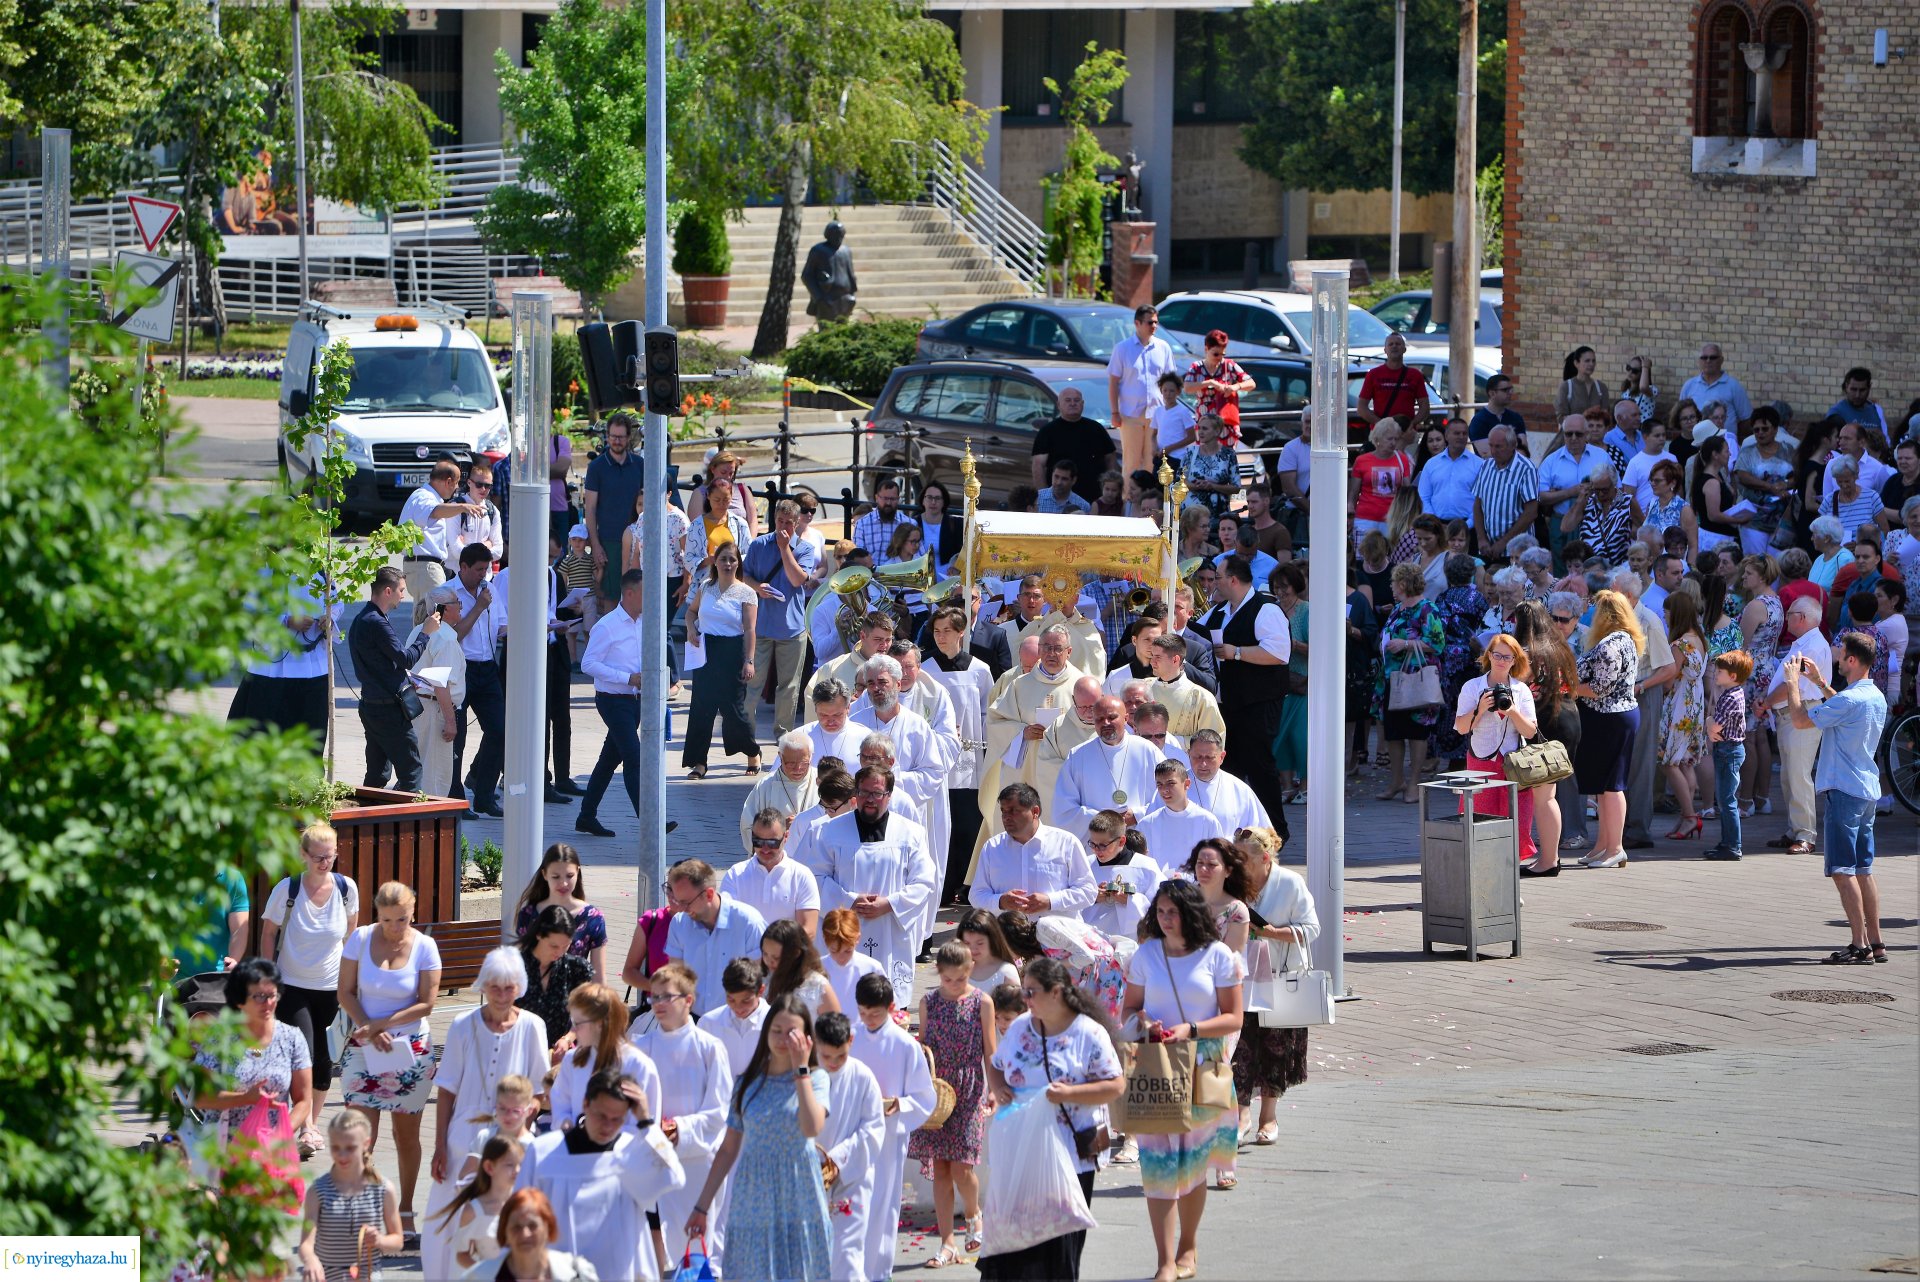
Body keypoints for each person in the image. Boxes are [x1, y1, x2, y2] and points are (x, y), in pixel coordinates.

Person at [1121, 880, 1244, 1282]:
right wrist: (1143, 1022)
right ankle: (1164, 1261)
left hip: (1204, 1065)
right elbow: (1130, 1010)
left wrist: (1191, 1029)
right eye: (1160, 912)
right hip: (1157, 1063)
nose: (1165, 919)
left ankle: (1187, 1247)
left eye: (1172, 912)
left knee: (1193, 1165)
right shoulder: (1146, 955)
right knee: (1158, 1166)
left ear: (1190, 913)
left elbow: (1234, 1018)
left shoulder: (1218, 956)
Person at [977, 956, 1125, 1282]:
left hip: (1072, 1154)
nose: (1024, 999)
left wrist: (1070, 1095)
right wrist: (999, 1087)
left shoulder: (1089, 1033)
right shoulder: (1019, 1027)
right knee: (1017, 1243)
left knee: (1059, 1246)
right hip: (1023, 1149)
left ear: (1056, 992)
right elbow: (997, 1063)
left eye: (1031, 992)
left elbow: (1115, 1084)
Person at [422, 948, 550, 1282]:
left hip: (512, 1139)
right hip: (463, 1134)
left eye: (509, 987)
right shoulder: (462, 1025)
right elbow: (447, 1087)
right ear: (483, 985)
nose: (501, 994)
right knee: (447, 1220)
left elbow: (539, 1091)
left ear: (519, 987)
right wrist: (439, 1145)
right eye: (495, 986)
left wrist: (519, 1121)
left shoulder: (533, 1026)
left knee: (505, 1218)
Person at [684, 994, 833, 1280]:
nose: (782, 1040)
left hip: (798, 1193)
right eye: (776, 1031)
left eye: (791, 1033)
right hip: (752, 1195)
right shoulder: (746, 1083)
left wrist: (801, 1070)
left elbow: (811, 1127)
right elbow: (728, 1149)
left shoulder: (815, 1078)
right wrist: (701, 1207)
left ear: (805, 1037)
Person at [518, 1069, 686, 1282]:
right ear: (586, 1104)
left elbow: (674, 1177)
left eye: (617, 1119)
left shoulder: (631, 1152)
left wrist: (645, 1121)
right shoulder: (544, 1151)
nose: (608, 1126)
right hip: (555, 1273)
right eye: (601, 1115)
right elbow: (521, 1213)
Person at [1783, 634, 1890, 963]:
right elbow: (1840, 708)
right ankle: (1877, 942)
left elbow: (1801, 720)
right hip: (1865, 790)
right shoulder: (1872, 696)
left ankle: (1860, 945)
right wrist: (1817, 681)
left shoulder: (1851, 700)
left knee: (1843, 871)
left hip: (1844, 790)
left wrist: (1793, 683)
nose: (1839, 660)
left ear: (1853, 661)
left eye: (1842, 656)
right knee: (1863, 869)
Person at [258, 822, 359, 1150]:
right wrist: (268, 976)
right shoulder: (287, 890)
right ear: (303, 855)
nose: (324, 863)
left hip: (331, 986)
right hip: (292, 985)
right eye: (317, 857)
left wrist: (353, 982)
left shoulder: (346, 889)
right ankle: (305, 1125)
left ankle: (309, 1126)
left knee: (324, 1056)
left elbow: (351, 938)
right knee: (301, 1054)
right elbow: (269, 933)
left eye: (329, 857)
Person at [629, 961, 735, 1266]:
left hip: (696, 1162)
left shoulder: (710, 1048)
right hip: (651, 1157)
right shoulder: (642, 1045)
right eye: (654, 997)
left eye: (667, 997)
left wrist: (679, 1128)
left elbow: (719, 1110)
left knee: (695, 1251)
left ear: (689, 1000)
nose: (659, 1004)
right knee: (650, 1252)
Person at [192, 956, 314, 1200]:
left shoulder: (292, 1038)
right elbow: (201, 1097)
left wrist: (281, 1137)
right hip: (224, 1149)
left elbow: (303, 1101)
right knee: (223, 1230)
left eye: (272, 995)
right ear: (239, 1000)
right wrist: (245, 1097)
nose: (267, 1003)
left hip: (270, 1152)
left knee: (260, 1229)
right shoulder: (219, 1038)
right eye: (258, 996)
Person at [1223, 833, 1315, 1147]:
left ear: (1265, 858)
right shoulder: (1231, 884)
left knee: (1276, 1047)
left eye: (1244, 859)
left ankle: (1269, 1116)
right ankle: (1242, 1115)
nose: (1236, 865)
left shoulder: (1289, 883)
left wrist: (1273, 932)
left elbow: (1311, 928)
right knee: (1241, 1047)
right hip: (1242, 978)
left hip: (1280, 976)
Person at [910, 941, 996, 1267]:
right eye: (948, 979)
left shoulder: (981, 1002)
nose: (954, 985)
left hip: (970, 1088)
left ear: (970, 970)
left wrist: (992, 1087)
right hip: (938, 1092)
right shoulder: (928, 1002)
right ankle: (947, 1242)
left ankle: (974, 1215)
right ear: (939, 973)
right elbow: (925, 1046)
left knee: (962, 1166)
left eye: (960, 978)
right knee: (942, 1169)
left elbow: (990, 1049)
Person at [850, 973, 938, 1278]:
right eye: (862, 1013)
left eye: (875, 1014)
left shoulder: (904, 1045)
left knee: (883, 1202)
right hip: (853, 1132)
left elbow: (924, 1096)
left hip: (888, 1134)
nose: (868, 1020)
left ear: (890, 1008)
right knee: (851, 1202)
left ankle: (877, 1270)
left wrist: (901, 1104)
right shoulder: (852, 1036)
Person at [1572, 591, 1646, 869]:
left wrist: (1567, 689)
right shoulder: (1625, 640)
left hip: (1610, 718)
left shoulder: (1609, 645)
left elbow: (1599, 689)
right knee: (1604, 786)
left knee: (1612, 786)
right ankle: (1603, 845)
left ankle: (1615, 847)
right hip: (1614, 717)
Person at [810, 1011, 886, 1282]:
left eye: (840, 1056)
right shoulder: (804, 1076)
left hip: (852, 1177)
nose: (832, 1063)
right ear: (814, 1043)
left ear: (850, 1041)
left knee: (847, 1254)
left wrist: (836, 1161)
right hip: (809, 1177)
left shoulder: (863, 1077)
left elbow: (873, 1129)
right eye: (826, 1056)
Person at [1453, 632, 1539, 861]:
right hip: (1481, 764)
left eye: (1508, 657)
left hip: (1513, 767)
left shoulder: (1521, 690)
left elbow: (1530, 732)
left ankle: (1509, 885)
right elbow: (1461, 728)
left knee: (1516, 826)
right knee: (1480, 823)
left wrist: (1512, 711)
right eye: (1497, 655)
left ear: (1515, 661)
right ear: (1488, 656)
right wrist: (1480, 709)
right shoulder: (1473, 687)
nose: (1502, 661)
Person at [349, 567, 436, 792]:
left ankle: (368, 821)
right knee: (412, 772)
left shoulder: (362, 618)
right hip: (387, 709)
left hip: (371, 705)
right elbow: (406, 658)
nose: (404, 596)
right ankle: (408, 825)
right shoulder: (376, 623)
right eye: (401, 590)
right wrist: (425, 633)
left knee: (378, 774)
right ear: (388, 591)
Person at [741, 499, 820, 742]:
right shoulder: (758, 545)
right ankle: (746, 736)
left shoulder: (805, 549)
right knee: (753, 685)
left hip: (792, 629)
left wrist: (785, 548)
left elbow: (798, 580)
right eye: (779, 521)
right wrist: (757, 586)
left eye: (788, 522)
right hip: (761, 627)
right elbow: (743, 575)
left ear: (797, 523)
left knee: (789, 687)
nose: (783, 526)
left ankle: (783, 736)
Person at [1613, 571, 1679, 850]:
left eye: (1614, 592)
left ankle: (1638, 829)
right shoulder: (1620, 618)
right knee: (1623, 762)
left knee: (1640, 763)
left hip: (1642, 693)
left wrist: (1641, 687)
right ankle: (1622, 825)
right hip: (1623, 693)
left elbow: (1669, 668)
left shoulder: (1649, 621)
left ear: (1629, 596)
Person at [683, 541, 760, 779]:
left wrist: (749, 660)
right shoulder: (706, 586)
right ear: (715, 561)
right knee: (701, 708)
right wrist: (690, 629)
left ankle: (752, 752)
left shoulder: (746, 592)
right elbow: (691, 612)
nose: (728, 563)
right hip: (706, 651)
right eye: (723, 558)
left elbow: (749, 630)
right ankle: (699, 763)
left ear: (738, 563)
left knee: (733, 709)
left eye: (732, 559)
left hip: (732, 651)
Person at [300, 1111, 404, 1282]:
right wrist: (310, 1260)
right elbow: (306, 1243)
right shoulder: (318, 1190)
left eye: (350, 1148)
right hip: (328, 1276)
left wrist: (380, 1240)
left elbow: (397, 1241)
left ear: (366, 1144)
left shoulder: (383, 1189)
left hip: (367, 1275)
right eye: (335, 1147)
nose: (342, 1155)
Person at [1765, 597, 1834, 855]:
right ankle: (1796, 830)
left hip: (1801, 713)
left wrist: (1765, 702)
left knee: (1798, 775)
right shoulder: (1807, 642)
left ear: (1801, 617)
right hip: (1793, 714)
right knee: (1789, 775)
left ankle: (1806, 834)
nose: (1786, 619)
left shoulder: (1813, 645)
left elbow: (1793, 685)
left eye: (1789, 614)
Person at [972, 782, 1099, 919]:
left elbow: (1088, 892)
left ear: (1035, 812)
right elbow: (976, 895)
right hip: (1007, 937)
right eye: (1003, 811)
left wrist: (1050, 901)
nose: (1006, 817)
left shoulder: (1066, 843)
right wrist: (1000, 901)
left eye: (1014, 811)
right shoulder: (992, 847)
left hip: (1054, 937)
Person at [1374, 562, 1445, 803]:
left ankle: (1414, 783)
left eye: (1394, 582)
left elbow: (1437, 643)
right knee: (1393, 732)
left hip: (1416, 680)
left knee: (1416, 733)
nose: (1391, 586)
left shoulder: (1427, 609)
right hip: (1392, 679)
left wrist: (1405, 645)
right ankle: (1396, 781)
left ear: (1403, 584)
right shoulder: (1398, 609)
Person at [1056, 694, 1166, 832]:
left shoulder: (1148, 750)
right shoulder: (1078, 756)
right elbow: (1064, 809)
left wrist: (1137, 815)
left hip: (1141, 839)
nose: (1106, 723)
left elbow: (1169, 794)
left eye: (1112, 717)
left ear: (1126, 718)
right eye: (1100, 719)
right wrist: (1104, 820)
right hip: (1098, 843)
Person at [399, 460, 483, 623]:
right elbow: (435, 511)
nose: (457, 488)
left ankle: (422, 649)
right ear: (449, 481)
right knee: (438, 622)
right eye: (457, 483)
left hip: (420, 568)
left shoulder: (422, 495)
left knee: (424, 624)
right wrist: (463, 507)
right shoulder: (425, 497)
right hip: (426, 569)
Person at [513, 844, 608, 982]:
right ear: (544, 874)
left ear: (578, 872)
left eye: (569, 876)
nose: (563, 883)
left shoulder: (592, 917)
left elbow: (598, 976)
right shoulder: (529, 914)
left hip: (575, 998)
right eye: (556, 876)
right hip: (533, 997)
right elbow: (520, 967)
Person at [1658, 590, 1710, 841]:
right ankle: (1687, 817)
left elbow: (1669, 679)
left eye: (1667, 611)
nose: (1665, 615)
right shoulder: (1699, 639)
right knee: (1685, 761)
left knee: (1669, 762)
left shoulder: (1678, 644)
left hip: (1680, 704)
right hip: (1695, 703)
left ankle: (1689, 816)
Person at [1736, 555, 1785, 816]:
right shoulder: (1775, 602)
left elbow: (1741, 645)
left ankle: (1746, 800)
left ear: (1762, 576)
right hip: (1767, 669)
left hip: (1751, 671)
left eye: (1749, 573)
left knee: (1749, 737)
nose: (1744, 577)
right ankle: (1762, 797)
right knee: (1761, 736)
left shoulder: (1756, 606)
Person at [435, 1134, 524, 1276]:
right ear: (489, 1167)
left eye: (520, 1164)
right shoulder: (474, 1210)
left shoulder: (525, 1203)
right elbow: (462, 1254)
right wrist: (489, 1272)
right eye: (509, 1164)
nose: (517, 1170)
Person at [584, 412, 646, 612]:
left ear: (628, 438)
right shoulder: (596, 467)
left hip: (638, 540)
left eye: (620, 437)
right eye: (612, 436)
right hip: (609, 540)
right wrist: (595, 545)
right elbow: (590, 509)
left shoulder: (640, 465)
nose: (616, 441)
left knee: (638, 595)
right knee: (611, 597)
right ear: (607, 436)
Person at [465, 1187, 599, 1281]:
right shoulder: (478, 1277)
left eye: (533, 1226)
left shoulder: (577, 1274)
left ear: (548, 1227)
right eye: (516, 1227)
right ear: (504, 1231)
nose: (525, 1234)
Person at [1108, 305, 1179, 482]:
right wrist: (1114, 412)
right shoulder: (1122, 349)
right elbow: (1113, 382)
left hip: (1157, 415)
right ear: (1137, 323)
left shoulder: (1163, 348)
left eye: (1156, 322)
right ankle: (1129, 505)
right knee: (1131, 464)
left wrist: (1170, 411)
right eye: (1149, 322)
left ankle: (1150, 506)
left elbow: (1171, 381)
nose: (1154, 326)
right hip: (1130, 414)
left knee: (1152, 462)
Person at [1703, 650, 1753, 861]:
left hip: (1728, 750)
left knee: (1726, 800)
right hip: (1728, 749)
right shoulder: (1734, 693)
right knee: (1724, 799)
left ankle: (1733, 845)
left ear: (1733, 676)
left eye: (1720, 671)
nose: (1715, 674)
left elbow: (1715, 726)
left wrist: (1708, 723)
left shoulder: (1730, 697)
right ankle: (1727, 842)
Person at [516, 906, 592, 1045]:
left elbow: (588, 1011)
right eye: (554, 946)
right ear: (539, 934)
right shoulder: (515, 965)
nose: (560, 952)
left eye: (566, 946)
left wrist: (569, 1038)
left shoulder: (576, 968)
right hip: (519, 1047)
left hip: (557, 1052)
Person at [1032, 387, 1118, 505]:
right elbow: (1038, 466)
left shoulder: (1096, 429)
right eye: (1068, 400)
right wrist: (1044, 497)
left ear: (1082, 404)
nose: (1073, 403)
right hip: (1059, 500)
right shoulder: (1047, 432)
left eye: (1077, 400)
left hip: (1093, 499)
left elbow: (1110, 459)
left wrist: (1109, 492)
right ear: (1059, 404)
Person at [1561, 463, 1638, 566]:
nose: (1601, 494)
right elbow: (1565, 527)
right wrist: (1580, 499)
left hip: (1618, 570)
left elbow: (1643, 529)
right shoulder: (1587, 502)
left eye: (1605, 490)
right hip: (1590, 569)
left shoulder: (1628, 502)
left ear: (1614, 484)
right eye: (1597, 490)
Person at [1349, 419, 1413, 539]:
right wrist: (1350, 512)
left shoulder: (1402, 459)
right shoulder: (1362, 460)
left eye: (1396, 439)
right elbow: (1353, 492)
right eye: (1389, 439)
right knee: (1364, 556)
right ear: (1377, 439)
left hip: (1392, 519)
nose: (1393, 443)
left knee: (1390, 557)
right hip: (1365, 518)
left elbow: (1406, 490)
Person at [705, 959, 771, 1075]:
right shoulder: (708, 1023)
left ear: (761, 991)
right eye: (731, 999)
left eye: (746, 1000)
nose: (738, 1008)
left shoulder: (775, 1022)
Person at [1416, 417, 1484, 525]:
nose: (1461, 437)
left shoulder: (1479, 465)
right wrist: (1434, 523)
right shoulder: (1431, 464)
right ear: (1446, 436)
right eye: (1457, 433)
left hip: (1468, 526)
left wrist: (1468, 524)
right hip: (1437, 526)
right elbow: (1423, 496)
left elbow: (1482, 499)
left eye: (1464, 433)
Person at [1357, 334, 1431, 427]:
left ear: (1404, 349)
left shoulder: (1415, 375)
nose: (1394, 346)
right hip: (1382, 434)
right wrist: (1381, 424)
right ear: (1385, 350)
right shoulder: (1373, 374)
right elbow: (1361, 408)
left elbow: (1424, 407)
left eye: (1398, 344)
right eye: (1390, 344)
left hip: (1406, 434)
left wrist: (1411, 425)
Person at [1679, 342, 1753, 432]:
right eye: (1704, 357)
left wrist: (1731, 435)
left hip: (1724, 444)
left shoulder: (1734, 386)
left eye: (1713, 357)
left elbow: (1746, 419)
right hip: (1695, 443)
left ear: (1721, 360)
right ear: (1699, 361)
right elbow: (1680, 415)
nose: (1708, 361)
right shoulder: (1689, 386)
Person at [956, 908, 1022, 994]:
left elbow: (1017, 1004)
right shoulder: (958, 969)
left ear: (993, 939)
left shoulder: (1006, 971)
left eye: (980, 943)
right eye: (967, 943)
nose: (973, 949)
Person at [1553, 347, 1608, 419]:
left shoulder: (1601, 387)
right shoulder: (1566, 387)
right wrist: (1583, 416)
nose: (1591, 364)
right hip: (1573, 430)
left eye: (1593, 361)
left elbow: (1606, 417)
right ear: (1576, 363)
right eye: (1587, 361)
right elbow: (1561, 418)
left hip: (1595, 430)